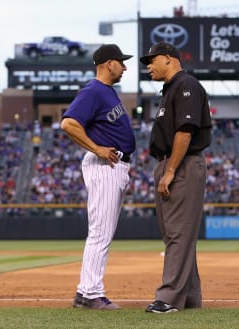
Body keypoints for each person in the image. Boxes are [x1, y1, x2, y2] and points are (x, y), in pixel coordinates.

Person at [61, 44, 136, 310]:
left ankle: (86, 291)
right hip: (104, 165)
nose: (125, 66)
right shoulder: (93, 91)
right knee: (100, 233)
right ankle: (90, 293)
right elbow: (68, 123)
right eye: (121, 62)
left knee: (102, 232)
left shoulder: (107, 92)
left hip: (113, 165)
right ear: (108, 63)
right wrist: (97, 148)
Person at [139, 42, 212, 313]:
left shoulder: (186, 85)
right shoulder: (171, 89)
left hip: (181, 164)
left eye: (152, 60)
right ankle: (190, 295)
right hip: (171, 162)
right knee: (176, 233)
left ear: (169, 59)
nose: (148, 66)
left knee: (178, 233)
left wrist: (170, 171)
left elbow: (185, 131)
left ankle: (168, 298)